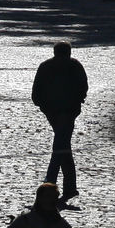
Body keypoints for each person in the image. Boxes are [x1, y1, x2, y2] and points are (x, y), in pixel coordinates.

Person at [31, 41, 89, 207]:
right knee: (62, 146)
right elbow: (83, 87)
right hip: (68, 111)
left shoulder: (45, 66)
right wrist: (77, 102)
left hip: (53, 112)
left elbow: (36, 92)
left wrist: (43, 105)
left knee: (61, 144)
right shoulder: (75, 66)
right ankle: (59, 184)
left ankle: (57, 183)